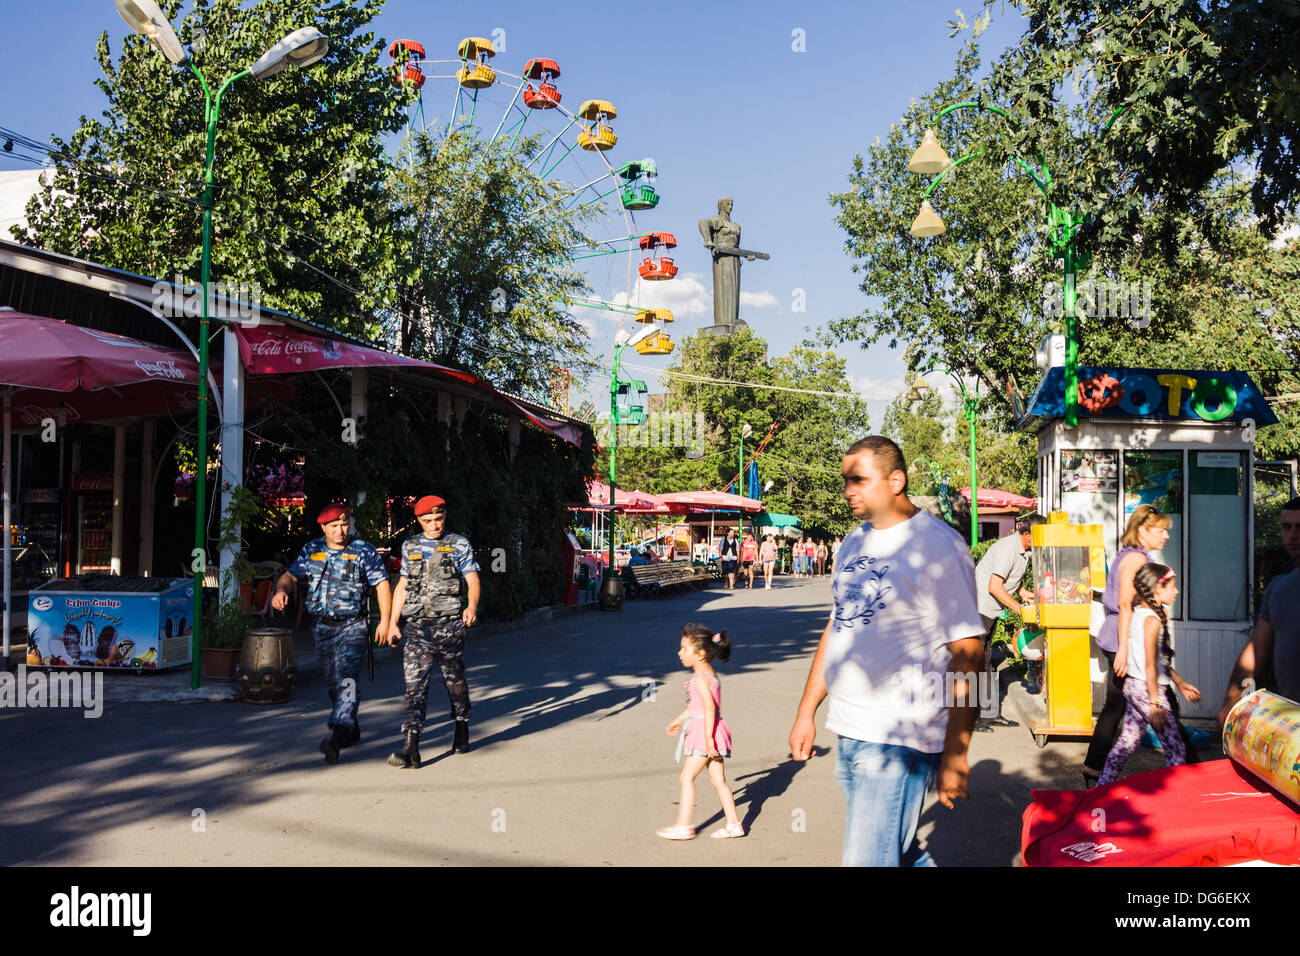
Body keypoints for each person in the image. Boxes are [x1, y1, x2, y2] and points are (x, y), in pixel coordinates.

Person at [788, 436, 984, 866]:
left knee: (867, 860)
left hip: (900, 736)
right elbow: (838, 626)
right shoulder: (853, 542)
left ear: (896, 480)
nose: (848, 490)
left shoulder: (938, 547)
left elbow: (968, 651)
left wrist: (956, 750)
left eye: (858, 479)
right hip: (851, 727)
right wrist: (807, 712)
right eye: (845, 480)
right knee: (897, 851)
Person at [273, 503, 392, 765]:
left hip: (353, 626)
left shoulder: (363, 550)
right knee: (331, 682)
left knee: (347, 677)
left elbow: (381, 583)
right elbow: (290, 576)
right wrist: (281, 591)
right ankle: (352, 727)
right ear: (323, 527)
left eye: (344, 523)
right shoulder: (312, 550)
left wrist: (385, 621)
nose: (341, 530)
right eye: (334, 526)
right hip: (322, 627)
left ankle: (336, 737)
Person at [381, 495, 480, 768]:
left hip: (449, 626)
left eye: (438, 519)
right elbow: (402, 586)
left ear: (445, 516)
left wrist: (471, 606)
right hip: (416, 629)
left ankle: (462, 724)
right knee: (414, 687)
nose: (434, 525)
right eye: (428, 520)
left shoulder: (458, 543)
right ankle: (411, 746)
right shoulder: (410, 545)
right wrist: (391, 622)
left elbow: (472, 578)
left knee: (454, 682)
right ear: (419, 520)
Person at [1080, 504, 1174, 786]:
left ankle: (1095, 771)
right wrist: (1123, 650)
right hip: (1121, 639)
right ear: (1143, 531)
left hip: (1121, 638)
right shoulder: (1134, 558)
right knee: (1126, 706)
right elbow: (1124, 603)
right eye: (1161, 531)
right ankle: (1095, 771)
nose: (1166, 536)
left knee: (1118, 706)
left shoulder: (1135, 555)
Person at [1097, 564, 1200, 784]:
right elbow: (1150, 666)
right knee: (1176, 747)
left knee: (1127, 742)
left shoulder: (1140, 615)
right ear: (1157, 589)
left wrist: (1180, 682)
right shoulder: (1152, 620)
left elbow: (1157, 660)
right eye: (1172, 586)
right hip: (1148, 691)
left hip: (1134, 687)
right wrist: (1156, 704)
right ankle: (1178, 798)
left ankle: (1101, 787)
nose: (1176, 591)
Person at [656, 624, 744, 840]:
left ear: (701, 654)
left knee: (686, 778)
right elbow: (698, 705)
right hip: (713, 729)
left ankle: (684, 826)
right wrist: (679, 719)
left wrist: (708, 739)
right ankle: (734, 823)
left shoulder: (700, 678)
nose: (680, 653)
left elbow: (708, 708)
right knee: (718, 780)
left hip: (706, 733)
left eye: (684, 648)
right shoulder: (708, 674)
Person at [1218, 497, 1300, 726]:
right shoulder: (1278, 588)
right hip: (1294, 726)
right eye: (1287, 527)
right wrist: (1232, 699)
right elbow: (1256, 651)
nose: (1293, 535)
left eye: (1299, 527)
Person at [971, 514, 1046, 731]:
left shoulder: (1022, 551)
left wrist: (1025, 594)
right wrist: (1020, 609)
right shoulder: (1008, 548)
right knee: (977, 664)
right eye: (1040, 536)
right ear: (1026, 535)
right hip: (979, 609)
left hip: (990, 611)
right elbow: (994, 586)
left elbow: (1011, 579)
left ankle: (988, 714)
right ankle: (972, 718)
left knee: (986, 664)